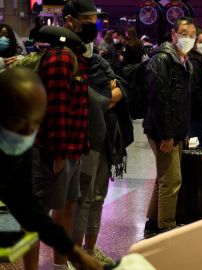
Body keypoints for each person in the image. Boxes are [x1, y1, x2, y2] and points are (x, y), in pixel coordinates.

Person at [0, 67, 102, 270]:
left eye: (35, 124)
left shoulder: (17, 140)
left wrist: (73, 252)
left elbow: (26, 207)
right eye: (21, 122)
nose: (28, 132)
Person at [29, 0, 102, 269]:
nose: (92, 25)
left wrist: (78, 149)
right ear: (70, 21)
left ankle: (60, 266)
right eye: (87, 19)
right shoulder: (61, 57)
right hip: (52, 152)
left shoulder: (76, 55)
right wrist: (59, 155)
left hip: (72, 150)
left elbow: (77, 106)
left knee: (67, 211)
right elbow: (57, 109)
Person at [71, 44, 132, 265]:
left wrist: (106, 97)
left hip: (107, 139)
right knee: (83, 198)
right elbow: (88, 100)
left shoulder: (98, 62)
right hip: (85, 140)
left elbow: (122, 87)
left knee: (99, 196)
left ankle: (90, 249)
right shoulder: (70, 65)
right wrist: (108, 97)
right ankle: (75, 254)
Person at [143, 17, 196, 238]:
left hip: (174, 129)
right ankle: (167, 228)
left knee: (164, 177)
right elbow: (159, 100)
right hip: (162, 130)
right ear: (173, 34)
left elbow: (182, 101)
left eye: (192, 34)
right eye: (184, 33)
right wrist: (166, 134)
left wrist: (182, 132)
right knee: (172, 180)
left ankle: (153, 224)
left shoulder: (184, 60)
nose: (189, 38)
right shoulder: (162, 59)